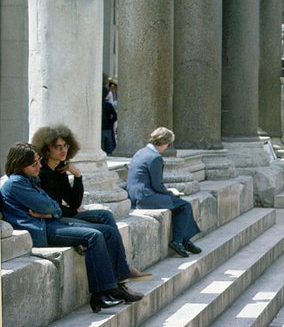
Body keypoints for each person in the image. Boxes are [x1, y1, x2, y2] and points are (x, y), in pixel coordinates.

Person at [2, 143, 139, 312]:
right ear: (19, 164)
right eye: (34, 164)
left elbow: (54, 207)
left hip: (49, 222)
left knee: (108, 231)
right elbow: (48, 206)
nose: (39, 166)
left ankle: (115, 284)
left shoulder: (29, 178)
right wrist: (51, 212)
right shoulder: (16, 183)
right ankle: (100, 293)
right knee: (94, 236)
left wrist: (51, 212)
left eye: (38, 161)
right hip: (40, 229)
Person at [31, 125, 149, 283]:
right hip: (53, 220)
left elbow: (74, 202)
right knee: (103, 228)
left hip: (62, 213)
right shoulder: (42, 173)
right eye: (57, 147)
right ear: (46, 150)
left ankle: (122, 267)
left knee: (106, 215)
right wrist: (72, 210)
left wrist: (78, 175)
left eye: (65, 146)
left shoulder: (59, 170)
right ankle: (121, 270)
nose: (63, 150)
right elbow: (55, 208)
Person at [126, 127, 201, 257]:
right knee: (184, 205)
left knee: (180, 204)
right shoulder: (155, 157)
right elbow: (157, 185)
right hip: (145, 197)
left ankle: (185, 240)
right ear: (165, 143)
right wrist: (170, 193)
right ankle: (178, 241)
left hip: (135, 194)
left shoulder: (141, 152)